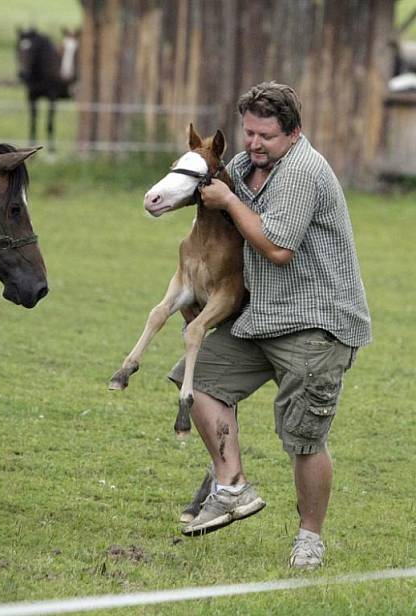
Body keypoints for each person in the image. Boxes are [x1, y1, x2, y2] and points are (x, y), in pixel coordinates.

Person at [169, 81, 372, 569]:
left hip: (318, 324)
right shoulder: (243, 167)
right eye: (249, 133)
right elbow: (206, 186)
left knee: (304, 438)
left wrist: (229, 204)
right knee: (198, 383)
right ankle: (232, 486)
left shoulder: (303, 171)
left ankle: (310, 538)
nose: (255, 144)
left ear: (295, 132)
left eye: (267, 136)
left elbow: (278, 249)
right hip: (261, 317)